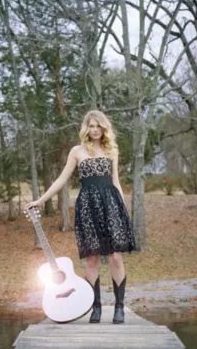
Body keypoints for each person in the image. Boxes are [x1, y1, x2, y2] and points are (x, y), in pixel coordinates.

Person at [24, 110, 135, 324]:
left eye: (98, 126)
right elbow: (60, 180)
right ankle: (96, 307)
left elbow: (116, 182)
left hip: (110, 205)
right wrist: (40, 200)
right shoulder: (77, 151)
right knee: (92, 258)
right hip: (87, 208)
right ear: (86, 128)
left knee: (115, 257)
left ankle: (119, 307)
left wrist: (121, 209)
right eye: (91, 126)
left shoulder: (112, 150)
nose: (94, 130)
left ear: (104, 128)